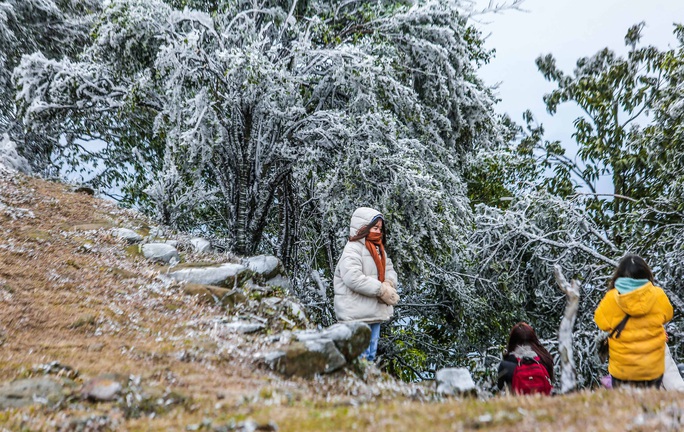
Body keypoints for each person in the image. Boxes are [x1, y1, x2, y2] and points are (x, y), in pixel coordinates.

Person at [594, 254, 674, 388]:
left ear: (619, 275)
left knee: (625, 407)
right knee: (649, 405)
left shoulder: (611, 298)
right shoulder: (658, 294)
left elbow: (601, 322)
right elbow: (668, 315)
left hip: (623, 370)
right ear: (646, 273)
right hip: (652, 369)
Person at [334, 207, 399, 361]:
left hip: (374, 312)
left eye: (380, 228)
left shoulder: (379, 249)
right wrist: (381, 290)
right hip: (356, 314)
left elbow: (389, 269)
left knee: (370, 355)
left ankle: (366, 383)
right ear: (363, 227)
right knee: (359, 356)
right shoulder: (352, 249)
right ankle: (352, 383)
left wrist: (389, 283)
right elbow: (353, 278)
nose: (378, 231)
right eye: (374, 228)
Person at [497, 322, 554, 393]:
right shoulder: (545, 359)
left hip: (518, 403)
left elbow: (499, 391)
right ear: (534, 338)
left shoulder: (506, 365)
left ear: (512, 341)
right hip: (544, 402)